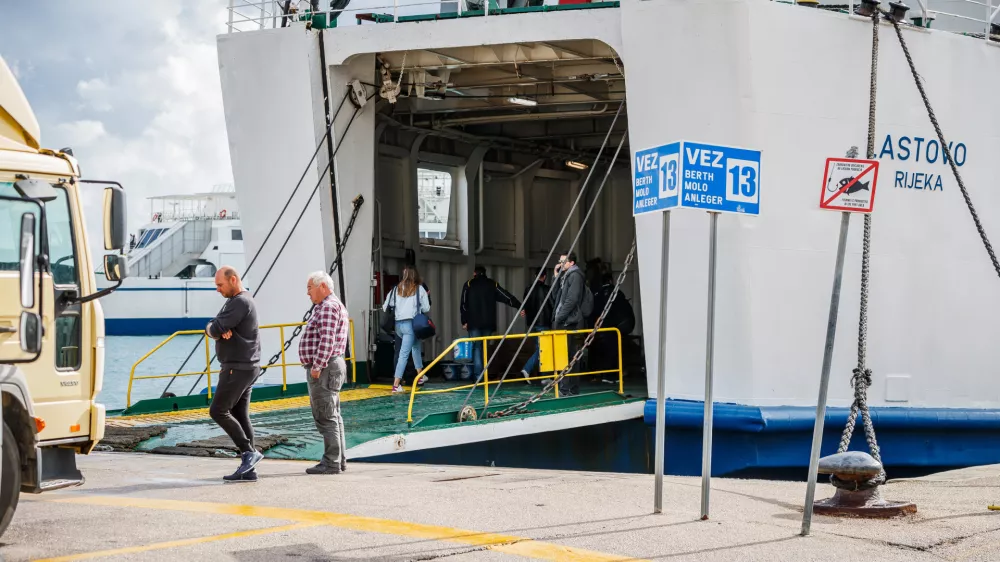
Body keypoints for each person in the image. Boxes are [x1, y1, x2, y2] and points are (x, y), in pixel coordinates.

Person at [206, 266, 263, 482]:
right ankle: (249, 470)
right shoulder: (238, 301)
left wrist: (215, 329)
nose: (218, 289)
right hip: (246, 366)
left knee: (218, 410)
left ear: (233, 280)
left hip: (237, 367)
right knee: (239, 414)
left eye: (220, 285)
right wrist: (215, 328)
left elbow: (214, 328)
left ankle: (249, 452)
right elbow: (214, 326)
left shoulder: (239, 302)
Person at [298, 271, 350, 474]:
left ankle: (331, 462)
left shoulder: (328, 307)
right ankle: (339, 460)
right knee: (333, 415)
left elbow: (327, 340)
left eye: (309, 288)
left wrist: (317, 366)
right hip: (332, 365)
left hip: (325, 368)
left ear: (322, 286)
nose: (307, 293)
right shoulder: (332, 305)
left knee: (326, 416)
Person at [460, 265, 521, 380]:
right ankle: (485, 375)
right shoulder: (492, 284)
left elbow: (463, 304)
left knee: (477, 347)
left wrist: (464, 321)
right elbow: (505, 296)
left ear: (474, 273)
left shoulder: (468, 284)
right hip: (488, 323)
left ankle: (479, 377)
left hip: (473, 323)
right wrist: (519, 305)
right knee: (484, 348)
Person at [384, 266, 431, 393]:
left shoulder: (396, 289)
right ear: (415, 275)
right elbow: (426, 308)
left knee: (416, 348)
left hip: (398, 325)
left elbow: (386, 305)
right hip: (411, 325)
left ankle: (420, 376)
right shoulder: (419, 289)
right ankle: (396, 385)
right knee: (404, 355)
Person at [552, 252, 589, 396]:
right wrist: (556, 276)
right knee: (566, 355)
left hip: (570, 322)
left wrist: (559, 318)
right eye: (560, 261)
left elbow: (571, 300)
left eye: (563, 261)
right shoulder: (565, 277)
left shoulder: (575, 276)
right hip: (566, 321)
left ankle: (568, 389)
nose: (560, 264)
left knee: (570, 356)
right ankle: (568, 388)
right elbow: (555, 296)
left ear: (572, 262)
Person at [519, 269, 553, 384]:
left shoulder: (528, 289)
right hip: (544, 323)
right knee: (542, 350)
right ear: (545, 276)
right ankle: (527, 369)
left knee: (540, 349)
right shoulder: (547, 289)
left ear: (535, 276)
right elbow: (552, 305)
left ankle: (545, 376)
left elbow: (525, 306)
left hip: (532, 324)